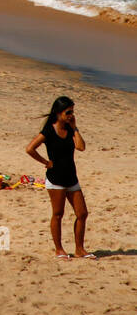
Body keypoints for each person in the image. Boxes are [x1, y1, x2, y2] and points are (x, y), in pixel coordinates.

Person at [26, 96, 92, 260]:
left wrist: (75, 128)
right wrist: (45, 162)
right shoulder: (49, 131)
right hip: (55, 179)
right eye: (68, 112)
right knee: (58, 214)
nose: (71, 115)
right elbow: (30, 148)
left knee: (82, 213)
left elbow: (81, 147)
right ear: (58, 113)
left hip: (71, 177)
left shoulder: (70, 130)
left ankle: (79, 249)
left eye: (72, 112)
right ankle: (59, 249)